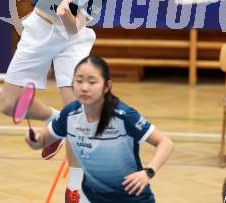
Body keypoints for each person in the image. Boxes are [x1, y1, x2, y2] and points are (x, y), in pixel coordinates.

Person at [0, 0, 139, 202]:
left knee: (76, 112)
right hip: (38, 30)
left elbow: (77, 27)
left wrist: (66, 17)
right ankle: (54, 121)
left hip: (71, 40)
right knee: (8, 104)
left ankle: (75, 187)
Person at [26, 55, 174, 203]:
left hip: (132, 198)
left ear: (107, 86)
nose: (84, 87)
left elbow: (165, 143)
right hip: (93, 197)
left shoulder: (124, 116)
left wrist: (148, 172)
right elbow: (42, 140)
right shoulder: (70, 114)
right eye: (79, 81)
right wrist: (35, 141)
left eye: (92, 82)